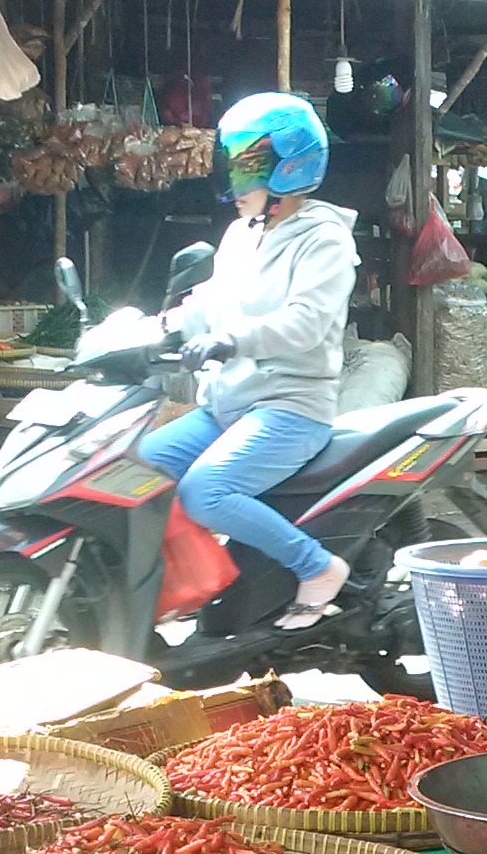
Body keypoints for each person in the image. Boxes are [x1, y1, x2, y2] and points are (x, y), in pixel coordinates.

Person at [140, 92, 358, 630]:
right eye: (234, 167)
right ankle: (188, 583)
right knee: (136, 469)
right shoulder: (242, 234)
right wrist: (150, 330)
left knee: (205, 491)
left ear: (288, 171)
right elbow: (208, 303)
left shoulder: (325, 241)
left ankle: (318, 567)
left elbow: (306, 323)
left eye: (248, 169)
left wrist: (230, 341)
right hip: (226, 405)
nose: (234, 184)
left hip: (290, 407)